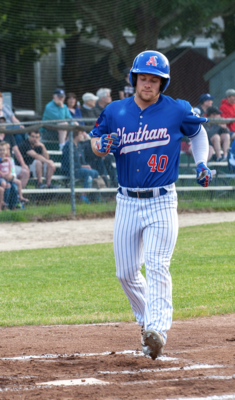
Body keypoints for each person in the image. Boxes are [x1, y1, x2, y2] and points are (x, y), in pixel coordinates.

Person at [90, 50, 212, 360]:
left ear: (162, 83)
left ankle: (158, 328)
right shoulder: (115, 111)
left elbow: (199, 133)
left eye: (154, 80)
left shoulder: (178, 110)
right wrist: (101, 146)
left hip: (162, 200)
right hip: (127, 201)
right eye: (143, 78)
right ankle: (148, 323)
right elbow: (95, 140)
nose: (148, 84)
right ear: (134, 79)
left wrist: (202, 163)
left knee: (158, 264)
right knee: (126, 272)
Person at [0, 115, 30, 189]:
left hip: (9, 166)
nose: (2, 123)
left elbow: (16, 151)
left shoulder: (9, 136)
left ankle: (18, 196)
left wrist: (23, 164)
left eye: (4, 122)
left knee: (25, 172)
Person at [62, 129, 99, 201]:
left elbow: (83, 161)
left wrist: (86, 165)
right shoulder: (68, 146)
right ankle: (84, 196)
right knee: (90, 173)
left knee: (95, 173)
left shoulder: (79, 146)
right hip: (70, 170)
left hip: (79, 169)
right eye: (80, 134)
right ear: (75, 135)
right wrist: (82, 166)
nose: (82, 135)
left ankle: (92, 195)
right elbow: (69, 163)